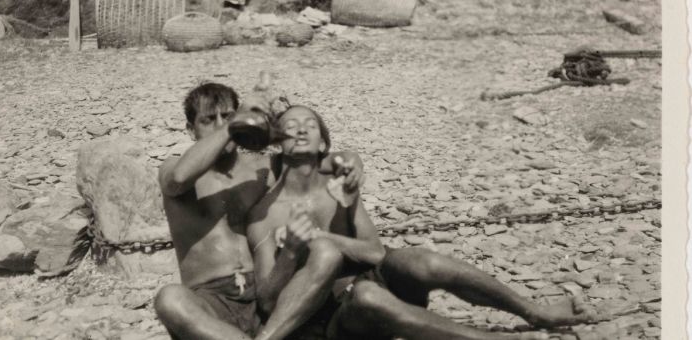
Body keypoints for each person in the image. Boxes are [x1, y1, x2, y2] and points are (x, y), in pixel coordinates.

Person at [248, 105, 597, 340]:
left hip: (367, 281)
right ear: (278, 144)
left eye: (309, 124)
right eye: (290, 126)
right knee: (368, 295)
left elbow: (374, 252)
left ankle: (534, 311)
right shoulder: (267, 211)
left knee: (422, 260)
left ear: (323, 141)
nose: (300, 130)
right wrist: (292, 252)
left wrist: (324, 237)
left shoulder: (339, 183)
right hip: (327, 319)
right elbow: (266, 303)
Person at [153, 83, 363, 340]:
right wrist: (234, 124)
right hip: (210, 300)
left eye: (228, 116)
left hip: (266, 290)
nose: (221, 125)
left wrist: (351, 158)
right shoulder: (173, 168)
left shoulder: (265, 167)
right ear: (190, 129)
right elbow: (179, 177)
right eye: (208, 120)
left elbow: (321, 161)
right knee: (169, 299)